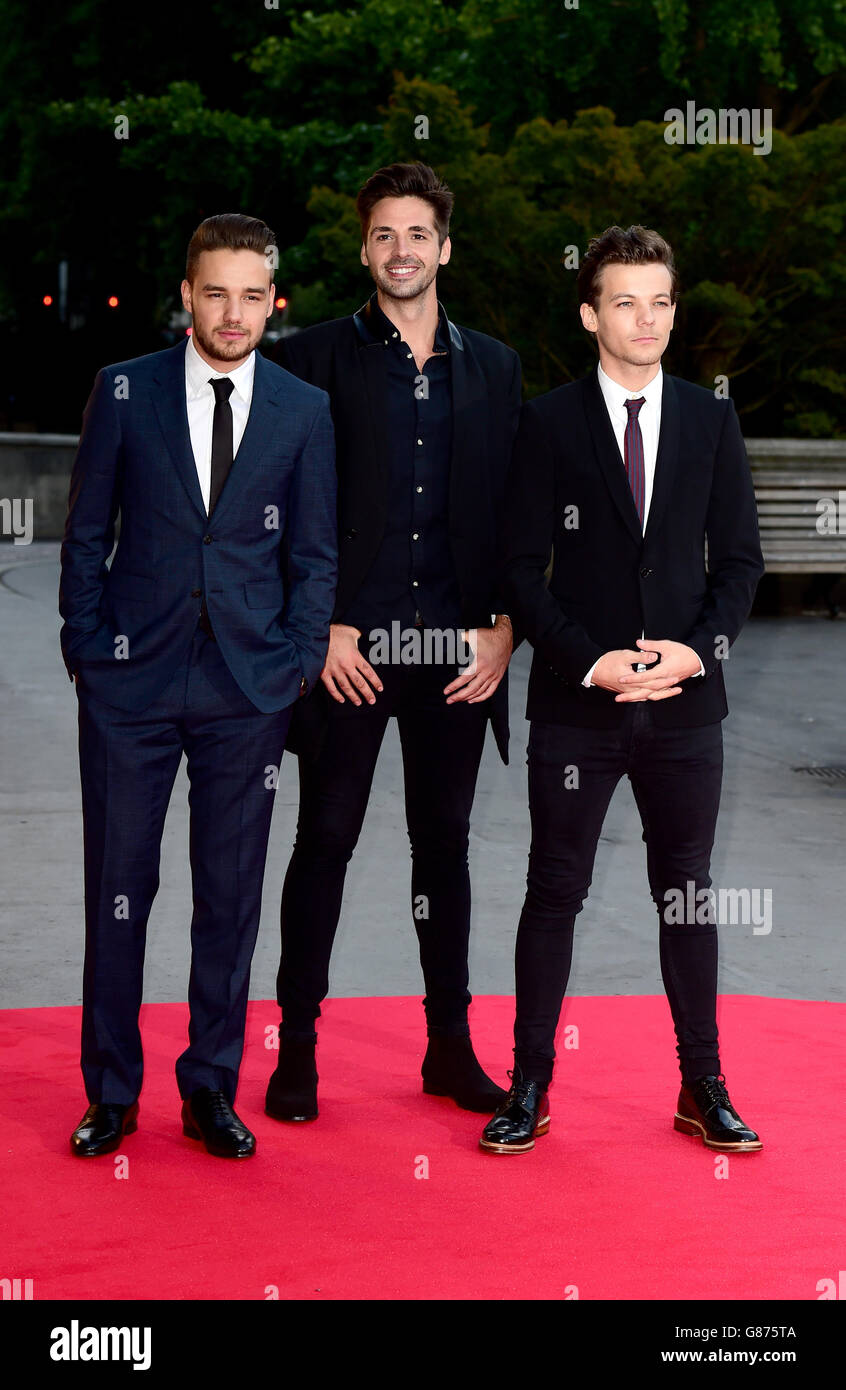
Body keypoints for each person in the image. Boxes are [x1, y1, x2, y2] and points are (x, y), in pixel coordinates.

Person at [481, 225, 765, 1155]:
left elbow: (740, 565)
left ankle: (703, 1086)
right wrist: (587, 662)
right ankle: (528, 1086)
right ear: (590, 312)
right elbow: (520, 568)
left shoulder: (709, 419)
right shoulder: (549, 420)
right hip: (578, 700)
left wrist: (696, 653)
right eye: (626, 301)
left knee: (687, 893)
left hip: (687, 708)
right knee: (553, 889)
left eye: (661, 301)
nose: (647, 319)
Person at [60, 213, 337, 1159]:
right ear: (187, 293)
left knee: (230, 895)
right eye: (214, 292)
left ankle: (210, 1086)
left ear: (274, 299)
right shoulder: (125, 390)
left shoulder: (303, 410)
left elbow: (315, 552)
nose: (233, 312)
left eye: (251, 295)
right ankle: (110, 1090)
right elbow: (87, 530)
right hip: (130, 682)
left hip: (248, 689)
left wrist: (298, 658)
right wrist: (87, 648)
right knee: (119, 888)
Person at [265, 162, 522, 1121]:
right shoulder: (312, 360)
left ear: (444, 247)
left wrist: (505, 629)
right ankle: (297, 1050)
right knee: (324, 840)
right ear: (364, 247)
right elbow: (280, 509)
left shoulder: (494, 365)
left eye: (418, 235)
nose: (401, 251)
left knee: (443, 848)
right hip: (351, 650)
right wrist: (317, 622)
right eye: (383, 235)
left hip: (456, 651)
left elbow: (512, 512)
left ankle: (449, 1050)